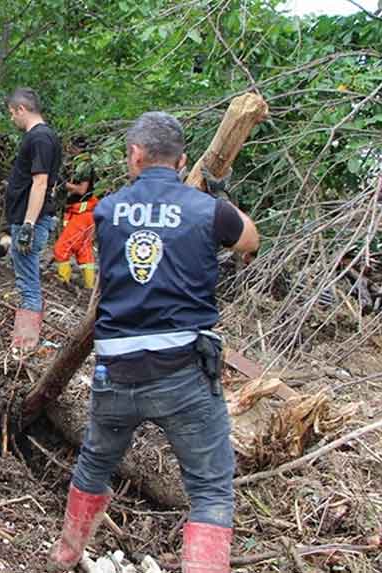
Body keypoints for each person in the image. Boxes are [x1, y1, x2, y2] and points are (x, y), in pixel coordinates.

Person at [46, 112, 259, 572]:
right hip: (183, 373)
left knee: (94, 466)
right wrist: (217, 194)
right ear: (182, 160)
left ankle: (64, 555)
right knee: (209, 490)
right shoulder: (207, 210)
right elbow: (250, 238)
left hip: (116, 370)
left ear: (134, 155)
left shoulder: (106, 209)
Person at [3, 87, 61, 354]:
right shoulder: (42, 137)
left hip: (31, 222)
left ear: (21, 110)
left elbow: (41, 181)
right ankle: (25, 342)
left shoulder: (39, 138)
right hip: (28, 218)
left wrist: (28, 224)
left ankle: (24, 345)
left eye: (12, 114)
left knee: (27, 283)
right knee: (26, 280)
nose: (12, 119)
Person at [53, 164, 100, 288]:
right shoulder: (79, 164)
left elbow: (81, 190)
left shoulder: (84, 165)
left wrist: (62, 184)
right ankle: (89, 287)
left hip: (81, 213)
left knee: (62, 248)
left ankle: (64, 283)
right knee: (84, 250)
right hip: (85, 213)